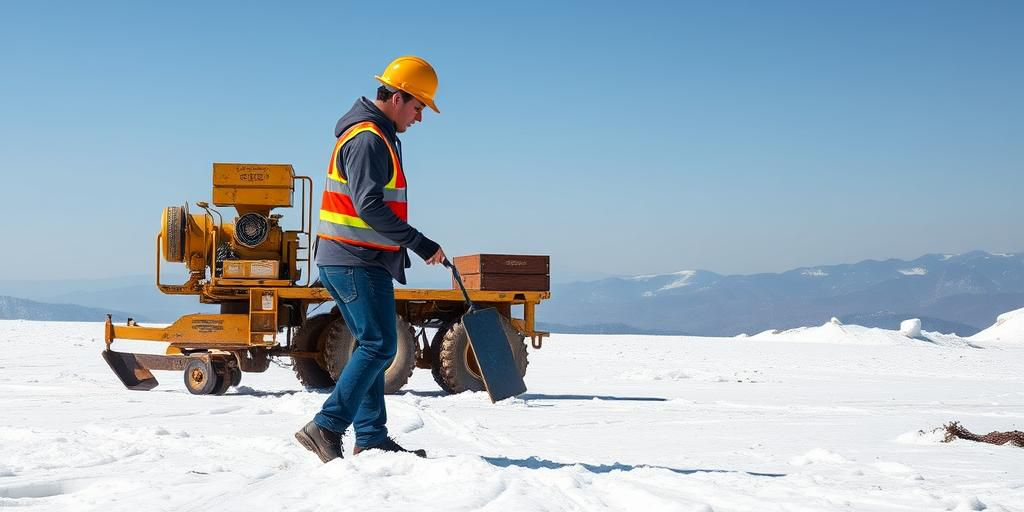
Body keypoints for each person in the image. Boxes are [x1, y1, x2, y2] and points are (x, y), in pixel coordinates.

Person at [295, 56, 446, 462]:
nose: (419, 118)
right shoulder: (368, 139)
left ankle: (371, 436)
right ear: (397, 98)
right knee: (380, 346)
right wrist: (421, 243)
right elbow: (369, 206)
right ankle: (326, 426)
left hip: (350, 258)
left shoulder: (374, 134)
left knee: (370, 344)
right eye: (418, 108)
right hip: (355, 259)